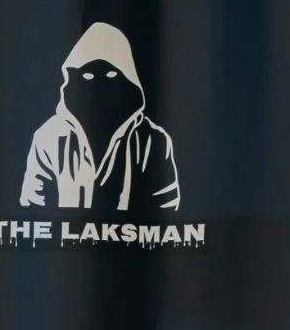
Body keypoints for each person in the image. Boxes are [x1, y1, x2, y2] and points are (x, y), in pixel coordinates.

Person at [20, 24, 179, 216]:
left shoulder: (153, 141)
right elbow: (33, 211)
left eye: (111, 74)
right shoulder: (48, 138)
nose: (100, 84)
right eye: (87, 75)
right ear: (72, 80)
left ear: (129, 79)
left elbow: (166, 211)